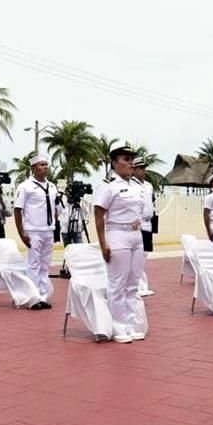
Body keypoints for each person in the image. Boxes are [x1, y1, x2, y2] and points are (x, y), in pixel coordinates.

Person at [94, 146, 148, 343]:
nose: (131, 162)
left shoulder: (136, 184)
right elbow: (99, 214)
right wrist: (103, 243)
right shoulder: (108, 185)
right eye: (126, 158)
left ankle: (132, 324)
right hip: (117, 235)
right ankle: (119, 326)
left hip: (136, 235)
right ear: (115, 163)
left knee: (133, 283)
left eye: (132, 158)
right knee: (118, 283)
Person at [13, 154, 58, 309]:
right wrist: (22, 233)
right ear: (33, 169)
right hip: (33, 230)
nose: (45, 167)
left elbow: (54, 209)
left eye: (46, 164)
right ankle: (33, 298)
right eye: (41, 164)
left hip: (48, 230)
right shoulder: (25, 186)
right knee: (33, 264)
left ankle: (43, 296)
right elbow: (18, 210)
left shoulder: (52, 186)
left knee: (45, 265)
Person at [131, 157, 156, 298]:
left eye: (144, 168)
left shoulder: (148, 185)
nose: (143, 171)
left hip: (148, 223)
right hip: (138, 223)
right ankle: (138, 286)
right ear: (133, 170)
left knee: (144, 255)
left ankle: (142, 285)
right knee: (138, 256)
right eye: (140, 168)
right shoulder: (131, 185)